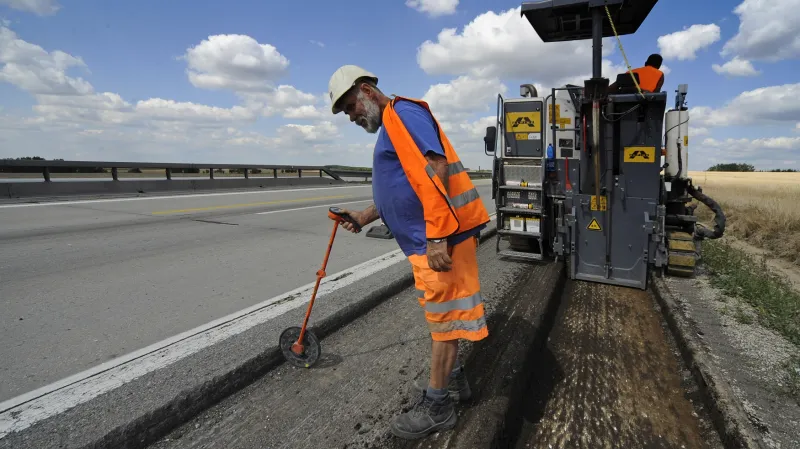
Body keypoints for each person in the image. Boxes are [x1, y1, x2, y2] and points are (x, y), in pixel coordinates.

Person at [327, 64, 491, 440]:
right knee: (441, 317)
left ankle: (439, 406)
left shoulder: (403, 114)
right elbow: (406, 183)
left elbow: (434, 167)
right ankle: (454, 382)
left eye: (350, 106)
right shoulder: (393, 124)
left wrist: (436, 236)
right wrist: (367, 214)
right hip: (426, 241)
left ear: (366, 90)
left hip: (439, 240)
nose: (351, 117)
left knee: (445, 320)